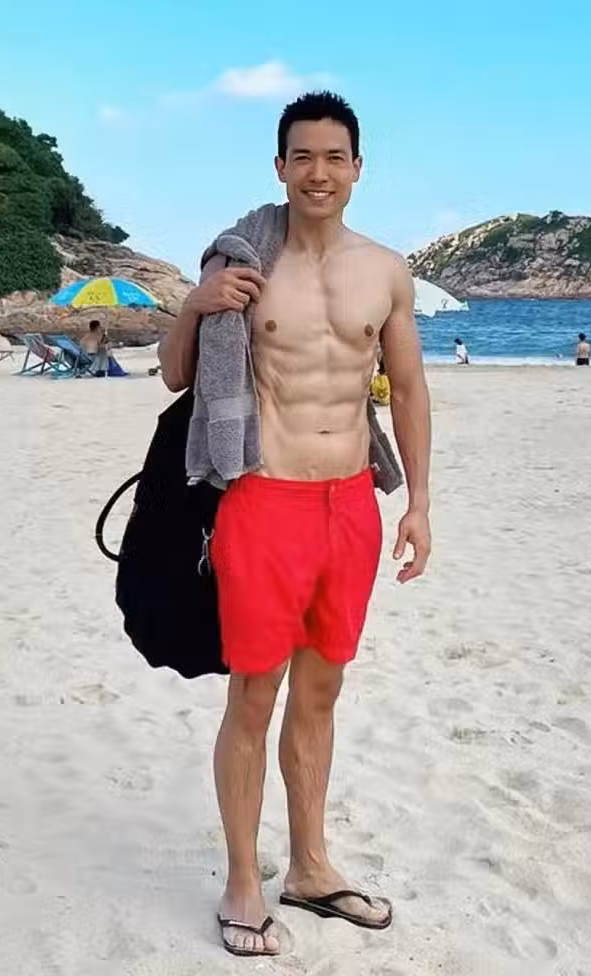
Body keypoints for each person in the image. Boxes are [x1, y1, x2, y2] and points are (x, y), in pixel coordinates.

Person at [157, 91, 432, 958]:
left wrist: (419, 502)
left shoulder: (385, 271)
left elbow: (410, 388)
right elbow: (174, 375)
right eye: (303, 157)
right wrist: (196, 303)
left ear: (358, 169)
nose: (319, 172)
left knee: (321, 694)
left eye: (334, 157)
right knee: (254, 695)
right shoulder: (243, 264)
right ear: (280, 167)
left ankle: (310, 867)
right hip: (263, 501)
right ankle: (244, 880)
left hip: (350, 505)